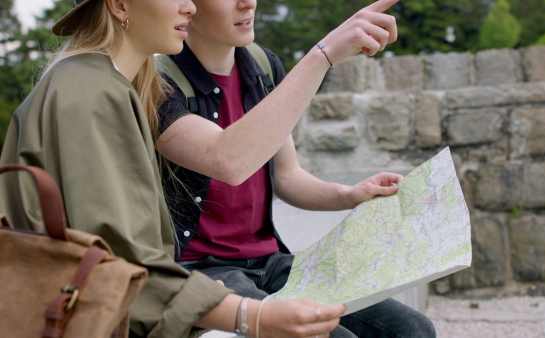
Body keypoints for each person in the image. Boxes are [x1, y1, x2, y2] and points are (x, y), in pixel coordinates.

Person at [0, 0, 348, 337]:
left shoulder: (93, 81)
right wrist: (252, 316)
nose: (190, 7)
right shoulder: (92, 94)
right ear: (119, 6)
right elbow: (119, 266)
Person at [155, 0, 436, 337]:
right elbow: (227, 161)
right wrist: (323, 54)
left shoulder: (262, 66)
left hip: (269, 262)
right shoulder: (157, 80)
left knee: (412, 329)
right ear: (187, 5)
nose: (248, 3)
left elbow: (286, 175)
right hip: (200, 270)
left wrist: (348, 194)